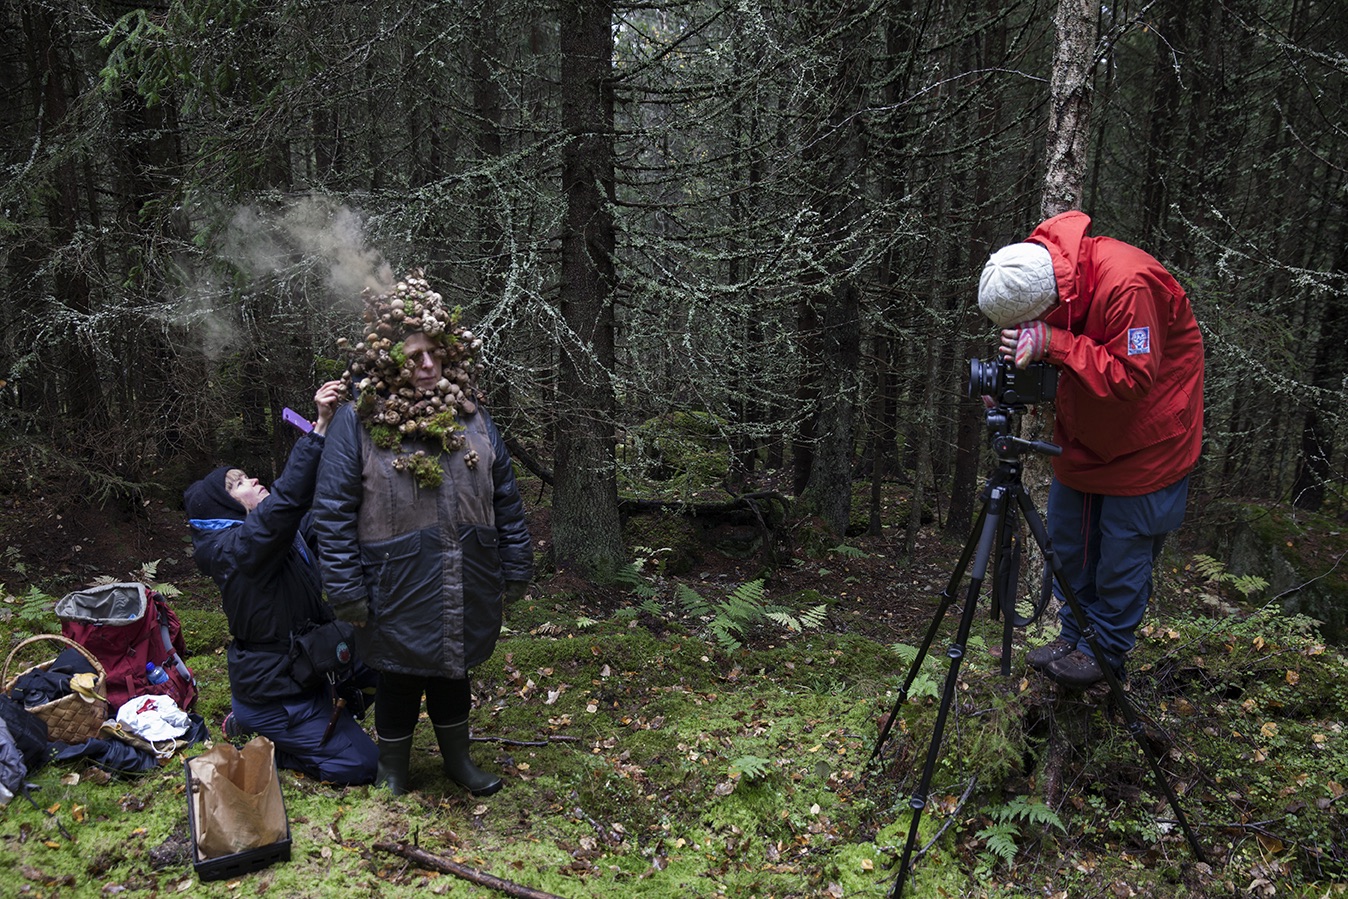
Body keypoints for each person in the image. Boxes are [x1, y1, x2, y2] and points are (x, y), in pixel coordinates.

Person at [311, 270, 533, 796]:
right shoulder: (359, 422)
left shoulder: (472, 417)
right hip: (396, 579)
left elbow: (506, 496)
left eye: (435, 352)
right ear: (390, 359)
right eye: (414, 355)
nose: (428, 364)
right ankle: (394, 771)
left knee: (453, 668)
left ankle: (459, 762)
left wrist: (518, 563)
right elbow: (333, 510)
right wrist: (344, 589)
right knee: (399, 674)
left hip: (469, 570)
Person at [977, 210, 1204, 687]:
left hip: (1148, 444)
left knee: (1120, 556)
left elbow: (1133, 377)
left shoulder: (1129, 284)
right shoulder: (1030, 272)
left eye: (1029, 323)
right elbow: (1058, 345)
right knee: (1069, 543)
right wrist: (1013, 380)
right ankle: (1074, 633)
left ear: (1048, 302)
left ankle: (1105, 650)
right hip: (1085, 435)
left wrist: (1054, 345)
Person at [184, 381, 378, 784]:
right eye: (238, 484)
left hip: (309, 661)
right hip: (279, 692)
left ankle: (332, 711)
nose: (253, 480)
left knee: (388, 655)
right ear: (226, 508)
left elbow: (316, 510)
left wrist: (346, 437)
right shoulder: (239, 548)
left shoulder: (273, 538)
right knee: (360, 765)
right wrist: (318, 430)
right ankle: (272, 743)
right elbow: (287, 503)